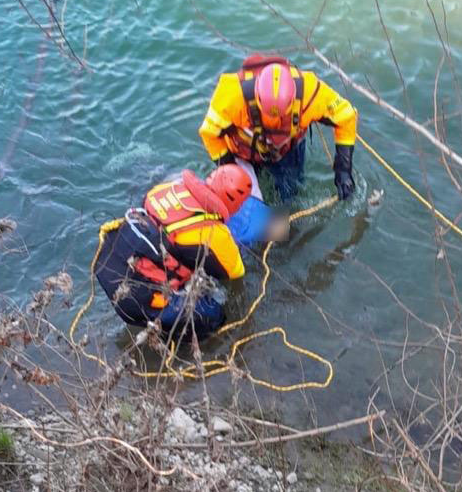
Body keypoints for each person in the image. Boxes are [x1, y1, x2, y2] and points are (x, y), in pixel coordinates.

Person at [94, 163, 283, 338]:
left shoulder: (166, 188)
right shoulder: (216, 235)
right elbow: (236, 273)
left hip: (106, 263)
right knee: (213, 315)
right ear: (237, 204)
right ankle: (175, 346)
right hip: (136, 299)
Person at [198, 54, 358, 207]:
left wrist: (343, 170)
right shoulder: (231, 95)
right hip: (243, 151)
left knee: (290, 194)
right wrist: (228, 168)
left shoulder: (311, 92)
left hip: (287, 149)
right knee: (242, 200)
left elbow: (346, 116)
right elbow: (209, 133)